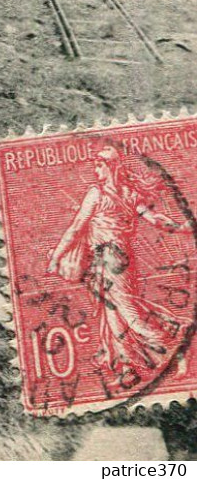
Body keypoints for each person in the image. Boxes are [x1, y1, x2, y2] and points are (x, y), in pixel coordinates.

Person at [48, 145, 191, 375]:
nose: (96, 171)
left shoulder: (107, 194)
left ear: (112, 167)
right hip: (104, 262)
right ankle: (126, 368)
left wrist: (56, 258)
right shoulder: (116, 194)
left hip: (114, 261)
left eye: (99, 165)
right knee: (113, 315)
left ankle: (175, 344)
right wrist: (57, 255)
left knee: (128, 312)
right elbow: (77, 227)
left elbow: (76, 228)